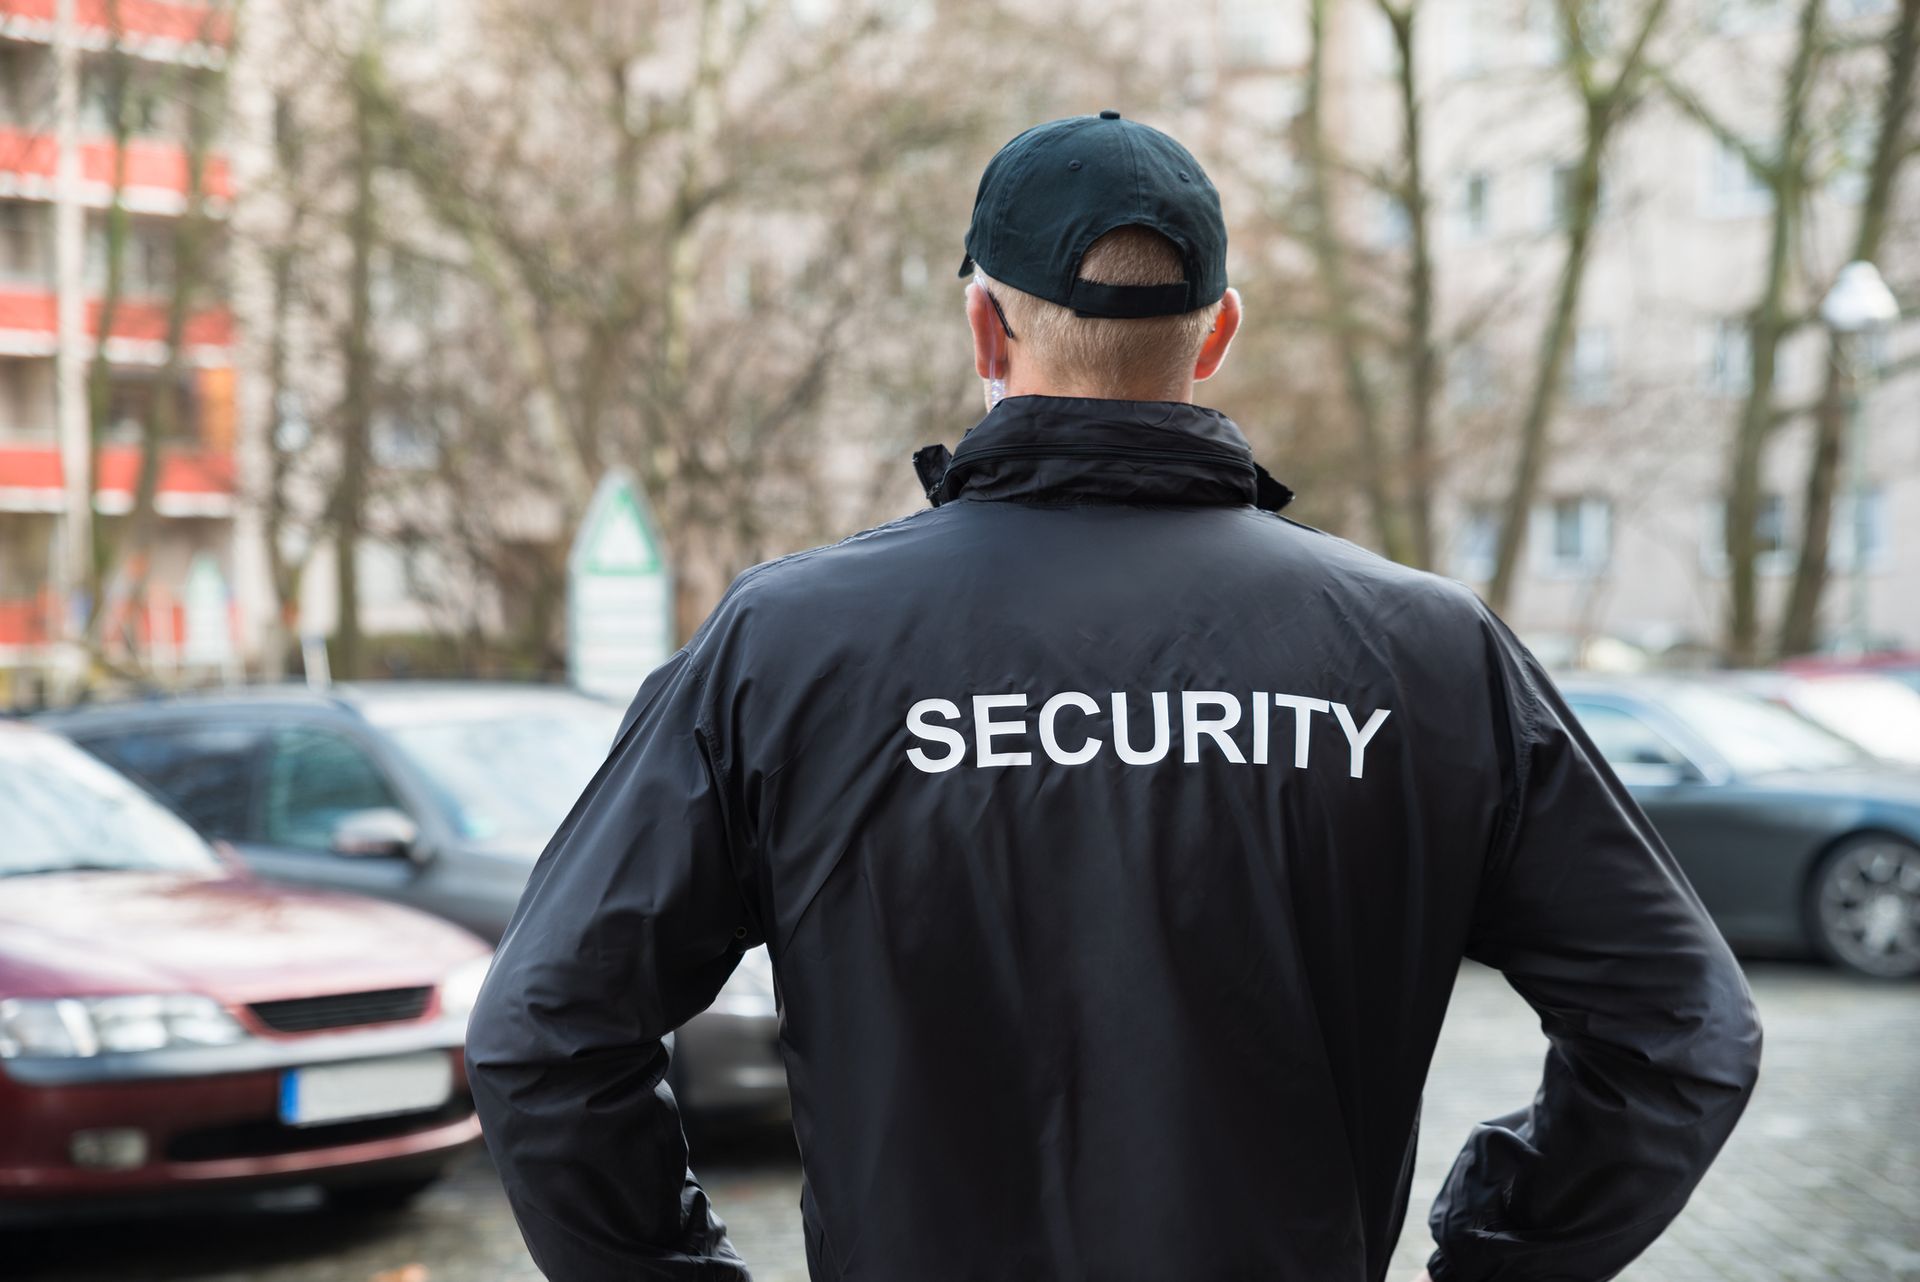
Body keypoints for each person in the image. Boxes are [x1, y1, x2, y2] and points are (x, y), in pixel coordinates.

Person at [467, 111, 1762, 1282]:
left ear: (984, 325)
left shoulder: (790, 643)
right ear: (1217, 330)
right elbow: (1681, 1030)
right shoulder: (1419, 648)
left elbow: (546, 1031)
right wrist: (1497, 1252)